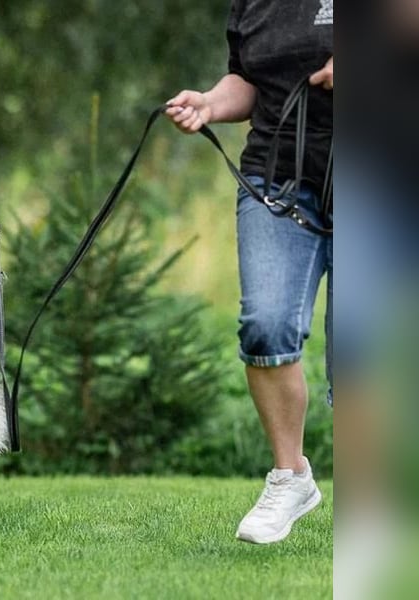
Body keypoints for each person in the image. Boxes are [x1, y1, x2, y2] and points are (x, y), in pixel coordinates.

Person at [165, 0, 333, 544]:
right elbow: (249, 81)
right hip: (277, 182)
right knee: (265, 325)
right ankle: (290, 477)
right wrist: (211, 104)